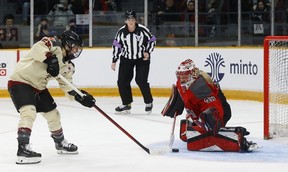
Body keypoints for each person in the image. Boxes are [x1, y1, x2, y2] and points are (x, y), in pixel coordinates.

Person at [7, 30, 96, 164]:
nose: (77, 50)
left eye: (79, 48)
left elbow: (67, 85)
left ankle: (60, 143)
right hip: (21, 81)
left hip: (39, 87)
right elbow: (37, 48)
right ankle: (23, 149)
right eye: (75, 46)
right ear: (67, 44)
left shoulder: (68, 66)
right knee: (29, 112)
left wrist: (81, 96)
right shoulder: (53, 44)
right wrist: (50, 59)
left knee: (53, 115)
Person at [162, 59, 258, 152]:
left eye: (185, 76)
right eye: (180, 76)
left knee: (209, 124)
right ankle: (201, 125)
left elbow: (217, 107)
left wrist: (212, 119)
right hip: (200, 110)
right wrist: (177, 102)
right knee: (195, 124)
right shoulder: (180, 83)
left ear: (193, 74)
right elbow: (183, 93)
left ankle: (237, 140)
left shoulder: (200, 87)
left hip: (221, 110)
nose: (182, 79)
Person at [111, 10, 156, 114]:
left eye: (132, 19)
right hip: (126, 59)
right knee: (122, 81)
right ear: (125, 21)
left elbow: (152, 40)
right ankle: (126, 104)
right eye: (128, 19)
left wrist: (148, 52)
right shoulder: (121, 32)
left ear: (135, 20)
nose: (130, 22)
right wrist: (114, 60)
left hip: (142, 59)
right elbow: (117, 45)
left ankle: (149, 102)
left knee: (141, 80)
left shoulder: (143, 30)